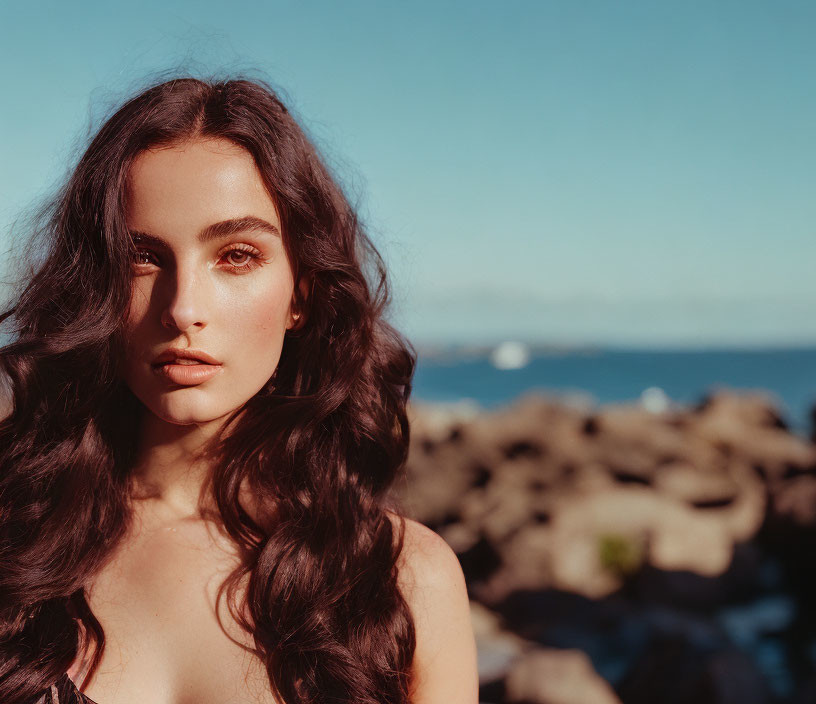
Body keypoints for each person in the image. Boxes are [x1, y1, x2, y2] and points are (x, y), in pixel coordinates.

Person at [0, 75, 478, 704]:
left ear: (301, 295)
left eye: (236, 255)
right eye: (142, 257)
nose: (182, 309)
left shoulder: (401, 581)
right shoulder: (16, 538)